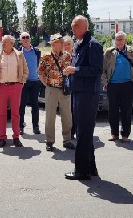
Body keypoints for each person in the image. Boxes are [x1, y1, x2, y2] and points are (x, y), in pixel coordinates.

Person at [63, 15, 103, 180]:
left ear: (85, 27)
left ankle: (81, 171)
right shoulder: (80, 44)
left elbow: (96, 70)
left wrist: (75, 70)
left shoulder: (93, 45)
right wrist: (71, 72)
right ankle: (91, 168)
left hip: (88, 94)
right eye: (72, 26)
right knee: (84, 132)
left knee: (83, 133)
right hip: (79, 92)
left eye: (76, 26)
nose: (73, 29)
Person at [37, 34, 75, 152]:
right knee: (50, 117)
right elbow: (40, 73)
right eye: (58, 42)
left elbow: (71, 70)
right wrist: (47, 84)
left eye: (59, 41)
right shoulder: (46, 56)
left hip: (64, 89)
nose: (61, 43)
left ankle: (67, 140)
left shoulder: (67, 56)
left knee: (67, 116)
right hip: (51, 89)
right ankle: (49, 141)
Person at [102, 31, 133, 142]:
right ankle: (114, 133)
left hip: (127, 85)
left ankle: (125, 134)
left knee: (126, 111)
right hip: (112, 85)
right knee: (112, 111)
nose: (118, 41)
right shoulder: (109, 52)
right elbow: (103, 69)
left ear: (125, 40)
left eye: (120, 39)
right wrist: (106, 82)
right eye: (116, 39)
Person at [0, 35, 29, 148]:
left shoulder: (19, 55)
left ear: (12, 44)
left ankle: (16, 137)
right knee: (1, 114)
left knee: (15, 114)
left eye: (5, 42)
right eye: (2, 42)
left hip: (15, 86)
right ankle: (2, 137)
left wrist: (21, 83)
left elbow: (26, 71)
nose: (2, 44)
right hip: (1, 87)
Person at [19, 32, 41, 135]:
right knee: (21, 105)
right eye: (23, 37)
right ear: (21, 40)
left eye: (27, 37)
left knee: (35, 105)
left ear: (30, 39)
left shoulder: (37, 51)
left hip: (35, 81)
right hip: (22, 82)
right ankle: (20, 126)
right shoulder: (18, 52)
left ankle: (35, 126)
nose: (26, 39)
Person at [63, 35, 77, 139]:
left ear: (72, 46)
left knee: (75, 110)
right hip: (64, 87)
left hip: (76, 86)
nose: (66, 46)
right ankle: (68, 132)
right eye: (64, 44)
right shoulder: (60, 57)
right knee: (66, 111)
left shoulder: (77, 56)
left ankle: (73, 131)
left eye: (68, 44)